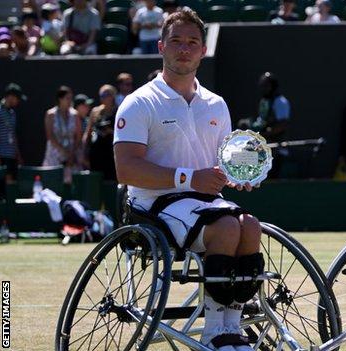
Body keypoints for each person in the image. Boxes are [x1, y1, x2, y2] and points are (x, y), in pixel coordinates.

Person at [113, 9, 264, 350]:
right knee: (226, 228)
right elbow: (126, 169)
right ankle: (215, 333)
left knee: (250, 225)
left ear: (203, 50)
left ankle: (232, 325)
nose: (184, 49)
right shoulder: (138, 103)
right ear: (161, 47)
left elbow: (218, 166)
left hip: (205, 203)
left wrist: (238, 176)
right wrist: (190, 178)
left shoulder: (216, 104)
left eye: (192, 42)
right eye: (176, 41)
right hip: (152, 204)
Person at [42, 85, 83, 182]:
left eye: (71, 98)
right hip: (54, 154)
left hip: (71, 155)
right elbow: (50, 136)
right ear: (60, 99)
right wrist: (64, 152)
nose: (70, 101)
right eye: (67, 98)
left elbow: (78, 136)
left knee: (71, 183)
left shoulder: (75, 114)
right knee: (52, 183)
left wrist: (71, 154)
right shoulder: (50, 114)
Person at [86, 84, 118, 180]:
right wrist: (84, 153)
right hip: (97, 153)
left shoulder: (119, 111)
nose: (104, 97)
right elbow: (88, 132)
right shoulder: (95, 111)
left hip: (112, 154)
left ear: (113, 96)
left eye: (107, 94)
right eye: (102, 95)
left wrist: (110, 131)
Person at [0, 83, 26, 183]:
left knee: (11, 184)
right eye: (17, 98)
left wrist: (18, 155)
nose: (18, 102)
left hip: (12, 156)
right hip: (2, 156)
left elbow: (13, 135)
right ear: (10, 96)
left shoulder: (12, 113)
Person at [73, 93, 94, 169]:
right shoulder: (71, 122)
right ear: (77, 107)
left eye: (88, 105)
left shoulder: (88, 120)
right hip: (72, 161)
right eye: (84, 105)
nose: (87, 108)